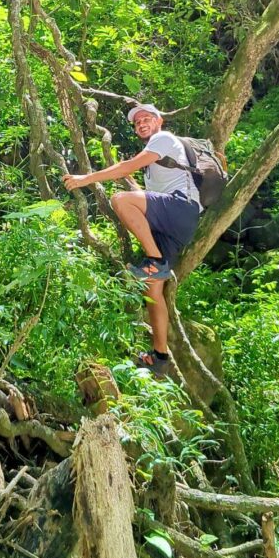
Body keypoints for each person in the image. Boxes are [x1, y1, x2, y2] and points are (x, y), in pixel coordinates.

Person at [62, 103, 201, 378]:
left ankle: (156, 260)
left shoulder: (163, 139)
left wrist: (84, 179)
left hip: (180, 209)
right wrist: (132, 186)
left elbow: (128, 166)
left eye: (146, 119)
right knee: (153, 290)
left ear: (159, 121)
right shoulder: (157, 160)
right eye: (137, 123)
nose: (141, 124)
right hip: (174, 223)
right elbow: (149, 193)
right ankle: (160, 356)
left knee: (120, 201)